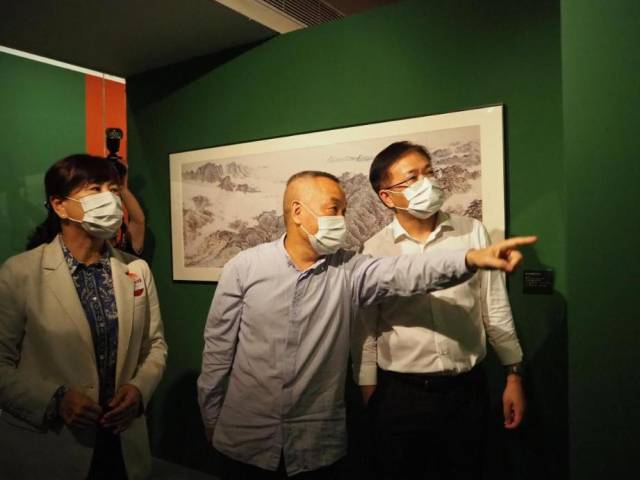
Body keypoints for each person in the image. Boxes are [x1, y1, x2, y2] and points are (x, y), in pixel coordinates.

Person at [197, 170, 536, 479]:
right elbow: (217, 350)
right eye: (334, 209)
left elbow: (405, 272)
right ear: (298, 212)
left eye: (345, 211)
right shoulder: (244, 268)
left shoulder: (351, 271)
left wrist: (469, 259)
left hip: (316, 445)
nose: (342, 220)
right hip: (245, 438)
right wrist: (211, 418)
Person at [351, 141, 526, 479]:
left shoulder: (471, 232)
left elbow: (494, 306)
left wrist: (513, 375)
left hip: (467, 393)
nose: (427, 183)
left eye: (429, 172)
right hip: (400, 396)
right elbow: (366, 329)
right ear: (387, 196)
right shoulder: (374, 249)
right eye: (412, 178)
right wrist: (369, 390)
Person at [0, 154, 167, 479]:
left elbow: (155, 346)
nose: (110, 200)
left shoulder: (136, 269)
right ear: (60, 206)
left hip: (122, 443)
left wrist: (138, 390)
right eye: (95, 189)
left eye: (113, 190)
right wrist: (55, 400)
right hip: (51, 446)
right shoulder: (20, 273)